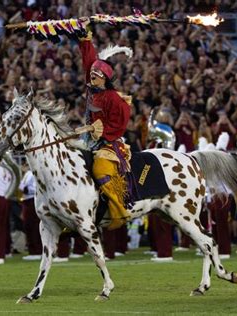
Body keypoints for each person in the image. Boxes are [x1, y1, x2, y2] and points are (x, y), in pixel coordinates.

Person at [76, 17, 132, 230]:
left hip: (108, 143)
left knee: (99, 169)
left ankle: (119, 210)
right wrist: (84, 35)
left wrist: (97, 129)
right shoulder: (91, 87)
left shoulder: (114, 99)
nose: (92, 77)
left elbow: (119, 125)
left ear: (105, 79)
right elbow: (88, 60)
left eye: (97, 76)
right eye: (92, 75)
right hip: (87, 139)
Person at [19, 162, 42, 261]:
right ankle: (32, 250)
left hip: (32, 199)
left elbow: (36, 187)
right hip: (26, 200)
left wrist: (26, 189)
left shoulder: (34, 172)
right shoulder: (27, 174)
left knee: (33, 226)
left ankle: (37, 251)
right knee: (27, 226)